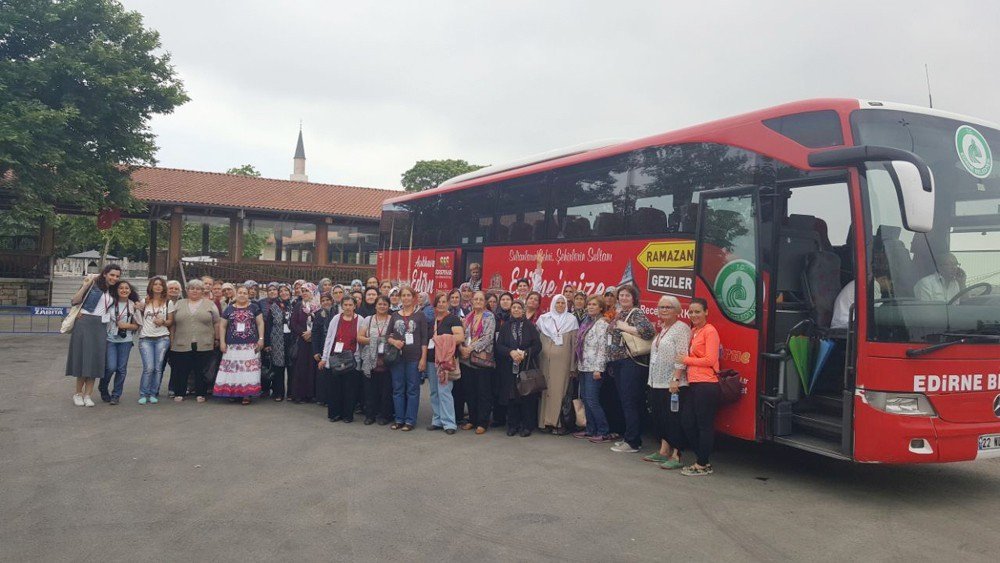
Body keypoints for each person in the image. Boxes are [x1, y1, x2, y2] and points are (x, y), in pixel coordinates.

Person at [607, 285, 655, 453]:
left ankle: (633, 442)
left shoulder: (637, 313)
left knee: (630, 402)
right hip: (619, 363)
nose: (624, 298)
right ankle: (630, 437)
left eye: (628, 295)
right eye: (621, 295)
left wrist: (625, 327)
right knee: (626, 401)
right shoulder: (621, 314)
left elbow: (649, 331)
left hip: (631, 363)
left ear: (634, 298)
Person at [645, 295, 691, 470]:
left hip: (673, 383)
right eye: (661, 307)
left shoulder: (681, 329)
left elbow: (681, 356)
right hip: (656, 382)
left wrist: (676, 379)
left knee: (674, 419)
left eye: (668, 307)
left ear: (678, 311)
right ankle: (663, 451)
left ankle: (676, 455)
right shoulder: (663, 328)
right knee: (660, 417)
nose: (663, 310)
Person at [66, 264, 121, 407]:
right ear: (105, 274)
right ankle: (78, 393)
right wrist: (85, 286)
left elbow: (130, 297)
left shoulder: (114, 290)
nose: (114, 278)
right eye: (112, 275)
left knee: (96, 361)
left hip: (101, 326)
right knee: (84, 359)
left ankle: (88, 395)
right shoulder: (93, 285)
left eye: (117, 276)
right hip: (85, 322)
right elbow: (74, 301)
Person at [678, 297, 721, 476]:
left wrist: (685, 360)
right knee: (687, 422)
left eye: (697, 311)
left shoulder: (710, 331)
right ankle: (702, 459)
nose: (694, 314)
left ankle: (702, 464)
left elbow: (710, 359)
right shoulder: (694, 331)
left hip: (707, 384)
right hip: (693, 383)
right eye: (691, 311)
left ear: (706, 312)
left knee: (704, 425)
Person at [494, 300, 543, 437]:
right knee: (511, 396)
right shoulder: (505, 326)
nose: (516, 310)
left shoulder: (529, 326)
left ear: (523, 310)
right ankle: (512, 425)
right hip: (509, 367)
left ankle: (527, 426)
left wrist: (525, 353)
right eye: (513, 307)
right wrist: (511, 352)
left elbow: (537, 346)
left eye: (518, 307)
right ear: (511, 310)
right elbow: (499, 346)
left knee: (527, 396)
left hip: (526, 366)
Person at [170, 279, 220, 403]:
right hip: (181, 341)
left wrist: (217, 338)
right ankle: (180, 392)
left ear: (202, 291)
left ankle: (201, 393)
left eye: (198, 289)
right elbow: (173, 323)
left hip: (204, 342)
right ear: (187, 290)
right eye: (192, 288)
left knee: (201, 369)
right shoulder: (179, 304)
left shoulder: (210, 304)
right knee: (181, 369)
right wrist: (171, 339)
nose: (195, 291)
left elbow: (217, 322)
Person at [214, 286, 264, 405]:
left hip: (250, 345)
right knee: (233, 370)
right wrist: (222, 342)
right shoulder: (229, 309)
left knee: (247, 370)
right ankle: (233, 393)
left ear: (248, 295)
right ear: (236, 294)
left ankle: (246, 394)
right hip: (232, 345)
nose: (242, 295)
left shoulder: (254, 308)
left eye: (245, 293)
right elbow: (223, 326)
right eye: (240, 292)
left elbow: (260, 323)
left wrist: (261, 339)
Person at [387, 286, 428, 431]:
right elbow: (387, 336)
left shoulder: (420, 315)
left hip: (414, 358)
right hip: (397, 358)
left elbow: (424, 338)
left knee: (412, 389)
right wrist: (394, 342)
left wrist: (423, 359)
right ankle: (399, 419)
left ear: (413, 297)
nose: (405, 298)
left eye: (408, 295)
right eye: (403, 295)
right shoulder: (395, 315)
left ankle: (410, 420)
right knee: (398, 389)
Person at [536, 294, 579, 434]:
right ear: (553, 304)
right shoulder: (543, 319)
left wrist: (573, 366)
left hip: (562, 364)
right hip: (544, 362)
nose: (560, 305)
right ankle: (543, 422)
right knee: (544, 391)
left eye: (563, 303)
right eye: (558, 303)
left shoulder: (571, 320)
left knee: (559, 391)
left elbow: (574, 346)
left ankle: (556, 423)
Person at [573, 296, 612, 442]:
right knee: (585, 398)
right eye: (589, 304)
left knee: (592, 400)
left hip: (594, 368)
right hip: (583, 366)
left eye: (594, 305)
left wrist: (598, 368)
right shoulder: (587, 321)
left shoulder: (601, 324)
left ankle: (603, 431)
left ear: (601, 308)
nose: (590, 307)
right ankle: (590, 429)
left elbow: (603, 348)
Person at [319, 296, 362, 422]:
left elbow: (362, 341)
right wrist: (324, 357)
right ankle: (334, 414)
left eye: (350, 305)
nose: (348, 307)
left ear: (355, 306)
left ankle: (347, 415)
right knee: (335, 388)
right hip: (336, 358)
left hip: (351, 359)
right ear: (342, 306)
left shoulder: (361, 320)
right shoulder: (336, 319)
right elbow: (329, 338)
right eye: (345, 305)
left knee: (349, 389)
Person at [426, 293, 465, 434]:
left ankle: (449, 423)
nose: (441, 304)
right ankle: (437, 420)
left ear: (447, 303)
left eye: (444, 301)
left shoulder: (453, 319)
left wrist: (442, 339)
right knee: (434, 391)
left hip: (445, 360)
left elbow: (460, 337)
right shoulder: (432, 320)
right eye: (439, 302)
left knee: (445, 391)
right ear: (435, 305)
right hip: (432, 360)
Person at [459, 291, 496, 434]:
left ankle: (482, 422)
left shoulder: (489, 317)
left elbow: (488, 337)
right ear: (472, 301)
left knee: (483, 392)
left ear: (485, 302)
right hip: (467, 361)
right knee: (470, 391)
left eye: (481, 299)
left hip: (482, 361)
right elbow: (462, 335)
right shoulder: (468, 316)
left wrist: (470, 348)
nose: (478, 301)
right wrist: (462, 347)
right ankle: (472, 419)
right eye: (476, 299)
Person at [99, 280, 140, 405]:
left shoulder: (133, 305)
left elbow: (137, 325)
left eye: (126, 288)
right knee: (111, 367)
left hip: (125, 340)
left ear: (130, 290)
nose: (124, 290)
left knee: (121, 369)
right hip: (110, 339)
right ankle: (103, 387)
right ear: (116, 290)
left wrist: (126, 325)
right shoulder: (110, 303)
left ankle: (116, 394)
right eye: (121, 288)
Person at [137, 277, 175, 404]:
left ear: (164, 287)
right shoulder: (145, 301)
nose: (158, 286)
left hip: (162, 338)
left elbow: (171, 321)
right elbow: (137, 317)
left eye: (160, 284)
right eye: (155, 284)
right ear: (151, 286)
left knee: (158, 368)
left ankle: (153, 393)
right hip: (146, 338)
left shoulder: (168, 302)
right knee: (149, 368)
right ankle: (143, 393)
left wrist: (163, 321)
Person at [358, 295, 394, 425]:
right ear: (375, 305)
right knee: (369, 390)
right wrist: (375, 340)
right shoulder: (368, 319)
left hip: (387, 358)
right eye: (380, 304)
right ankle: (370, 415)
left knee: (386, 390)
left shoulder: (393, 319)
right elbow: (360, 337)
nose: (382, 306)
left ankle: (385, 415)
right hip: (370, 359)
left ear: (388, 306)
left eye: (385, 304)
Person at [290, 282, 319, 404]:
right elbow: (293, 323)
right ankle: (299, 394)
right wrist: (304, 334)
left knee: (312, 367)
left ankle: (310, 394)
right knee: (300, 367)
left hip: (314, 341)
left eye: (307, 291)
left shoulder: (318, 306)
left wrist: (311, 333)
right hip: (302, 341)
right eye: (303, 291)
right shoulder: (298, 306)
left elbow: (320, 322)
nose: (305, 293)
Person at [265, 284, 294, 401]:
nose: (283, 293)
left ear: (290, 292)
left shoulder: (295, 305)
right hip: (277, 340)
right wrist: (267, 343)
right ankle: (279, 393)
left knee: (292, 367)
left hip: (292, 340)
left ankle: (292, 392)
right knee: (278, 367)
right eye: (281, 291)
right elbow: (268, 326)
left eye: (286, 290)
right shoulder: (273, 307)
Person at [311, 292, 335, 406]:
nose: (326, 302)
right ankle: (322, 398)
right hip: (321, 346)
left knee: (331, 375)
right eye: (323, 300)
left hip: (334, 348)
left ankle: (331, 398)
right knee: (322, 374)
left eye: (328, 300)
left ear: (332, 301)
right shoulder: (318, 314)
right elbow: (315, 333)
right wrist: (315, 350)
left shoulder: (336, 313)